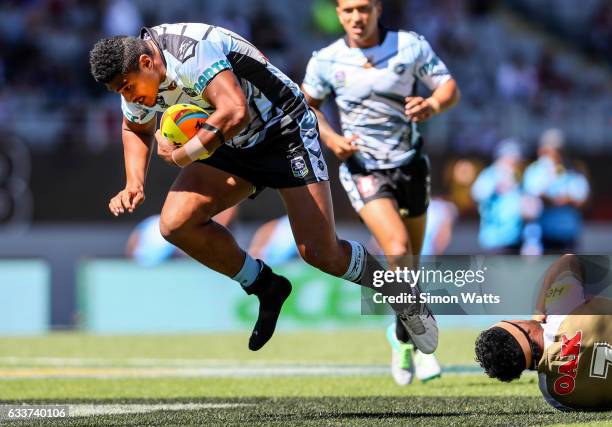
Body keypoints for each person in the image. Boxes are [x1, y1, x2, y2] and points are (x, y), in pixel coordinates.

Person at [89, 23, 437, 353]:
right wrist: (133, 183)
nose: (129, 97)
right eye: (121, 92)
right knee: (175, 224)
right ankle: (266, 287)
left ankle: (401, 293)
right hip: (232, 141)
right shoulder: (135, 72)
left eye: (128, 88)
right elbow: (135, 128)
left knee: (320, 253)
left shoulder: (190, 52)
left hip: (284, 132)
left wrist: (185, 155)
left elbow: (235, 110)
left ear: (147, 62)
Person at [302, 0, 460, 385]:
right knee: (396, 244)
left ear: (378, 8)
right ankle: (423, 344)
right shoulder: (326, 60)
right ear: (338, 13)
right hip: (363, 168)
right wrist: (333, 139)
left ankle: (402, 336)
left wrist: (432, 104)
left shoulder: (409, 46)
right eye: (348, 10)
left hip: (410, 164)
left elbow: (448, 87)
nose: (357, 18)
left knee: (409, 265)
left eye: (364, 9)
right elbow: (306, 108)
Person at [475, 254, 612, 411]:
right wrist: (539, 309)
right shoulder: (560, 311)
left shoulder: (552, 395)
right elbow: (567, 260)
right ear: (522, 327)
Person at [523, 129, 590, 253]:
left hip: (567, 233)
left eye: (558, 150)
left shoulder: (574, 169)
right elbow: (532, 200)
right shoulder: (534, 171)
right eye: (550, 150)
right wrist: (553, 197)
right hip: (541, 236)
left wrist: (564, 200)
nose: (555, 154)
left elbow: (582, 200)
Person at [471, 139, 527, 254]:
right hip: (495, 240)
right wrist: (497, 185)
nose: (516, 162)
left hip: (516, 239)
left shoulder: (517, 177)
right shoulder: (490, 175)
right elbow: (477, 194)